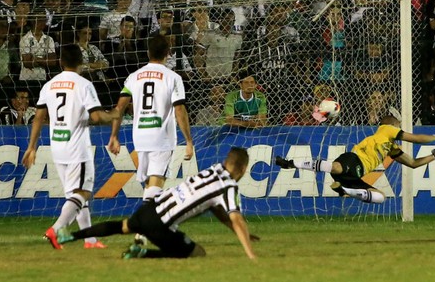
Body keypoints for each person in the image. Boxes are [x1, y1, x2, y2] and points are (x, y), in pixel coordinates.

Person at [55, 147, 258, 259]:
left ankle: (71, 235)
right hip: (160, 224)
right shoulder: (228, 185)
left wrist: (239, 231)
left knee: (123, 226)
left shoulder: (213, 170)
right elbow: (236, 218)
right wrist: (250, 253)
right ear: (243, 168)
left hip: (150, 207)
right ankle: (143, 253)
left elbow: (216, 209)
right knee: (197, 253)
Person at [22, 44, 120, 250]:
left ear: (60, 62)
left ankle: (90, 240)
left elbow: (39, 117)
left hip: (57, 146)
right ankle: (56, 229)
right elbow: (95, 116)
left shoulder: (49, 85)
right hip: (77, 147)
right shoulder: (83, 85)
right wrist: (113, 115)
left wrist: (32, 147)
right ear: (81, 63)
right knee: (83, 192)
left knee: (74, 195)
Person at [275, 115, 435, 204]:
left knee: (380, 197)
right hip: (354, 159)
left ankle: (345, 190)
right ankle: (291, 163)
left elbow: (413, 163)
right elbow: (414, 138)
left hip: (357, 175)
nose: (400, 128)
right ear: (392, 124)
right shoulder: (386, 129)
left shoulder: (391, 148)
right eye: (399, 125)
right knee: (336, 167)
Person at [108, 35, 194, 202]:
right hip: (161, 136)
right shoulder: (173, 78)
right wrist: (188, 140)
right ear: (168, 53)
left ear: (148, 52)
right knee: (156, 182)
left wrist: (114, 136)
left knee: (150, 184)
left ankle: (146, 225)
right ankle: (142, 226)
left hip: (140, 136)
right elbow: (179, 108)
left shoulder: (133, 77)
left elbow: (119, 108)